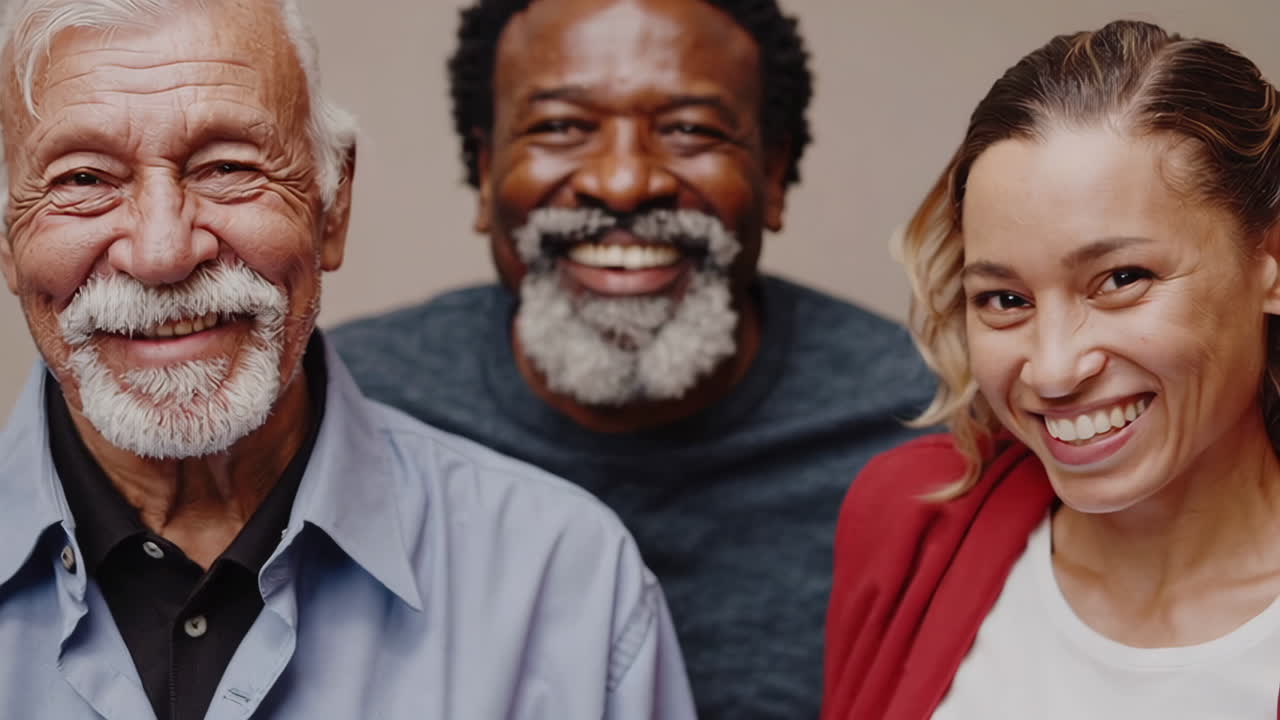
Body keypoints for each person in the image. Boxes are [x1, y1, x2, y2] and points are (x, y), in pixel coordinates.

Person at [0, 0, 697, 718]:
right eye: (82, 180)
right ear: (5, 236)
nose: (162, 252)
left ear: (333, 206)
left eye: (227, 167)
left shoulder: (564, 582)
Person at [330, 0, 934, 716]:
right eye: (560, 127)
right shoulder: (347, 413)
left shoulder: (929, 430)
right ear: (487, 172)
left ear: (773, 173)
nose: (622, 183)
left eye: (689, 130)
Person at [822, 19, 1280, 720]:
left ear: (1270, 264)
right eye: (1005, 299)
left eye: (1121, 278)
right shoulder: (910, 519)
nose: (1055, 369)